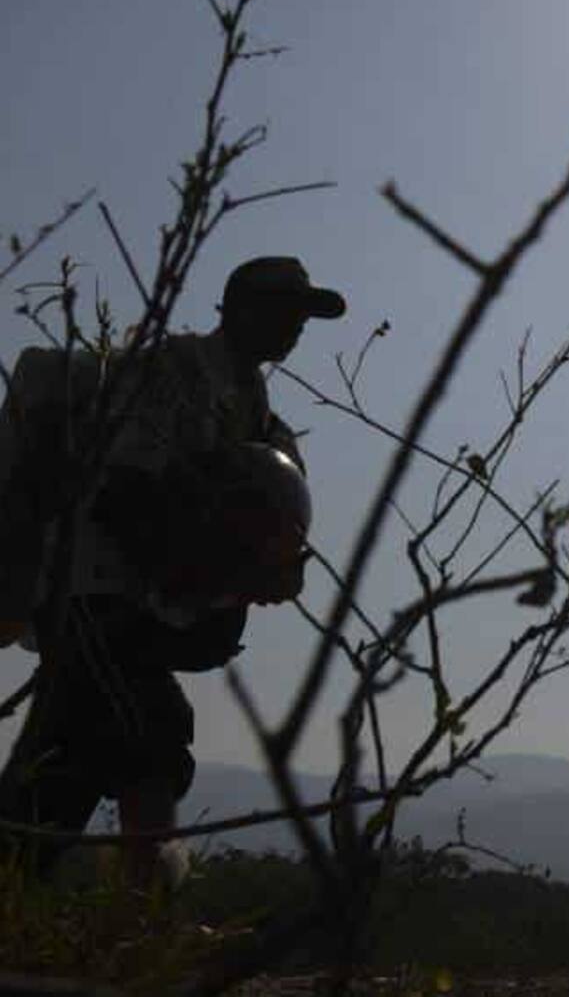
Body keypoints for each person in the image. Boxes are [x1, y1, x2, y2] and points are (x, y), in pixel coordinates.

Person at [0, 257, 345, 886]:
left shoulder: (260, 417)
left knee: (60, 774)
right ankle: (147, 909)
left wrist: (263, 572)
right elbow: (122, 494)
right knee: (152, 733)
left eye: (302, 316)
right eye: (285, 311)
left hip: (148, 613)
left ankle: (34, 897)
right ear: (240, 308)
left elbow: (275, 537)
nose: (295, 328)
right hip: (96, 593)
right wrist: (206, 557)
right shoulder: (168, 376)